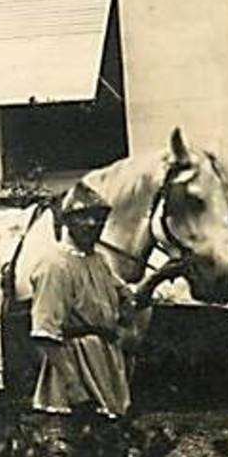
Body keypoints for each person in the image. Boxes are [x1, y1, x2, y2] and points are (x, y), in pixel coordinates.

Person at [29, 182, 185, 428]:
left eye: (99, 218)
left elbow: (130, 301)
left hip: (104, 360)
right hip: (75, 363)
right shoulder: (54, 265)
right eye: (83, 218)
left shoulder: (98, 262)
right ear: (68, 221)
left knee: (109, 442)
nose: (92, 224)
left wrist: (158, 277)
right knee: (78, 443)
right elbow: (45, 333)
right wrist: (75, 387)